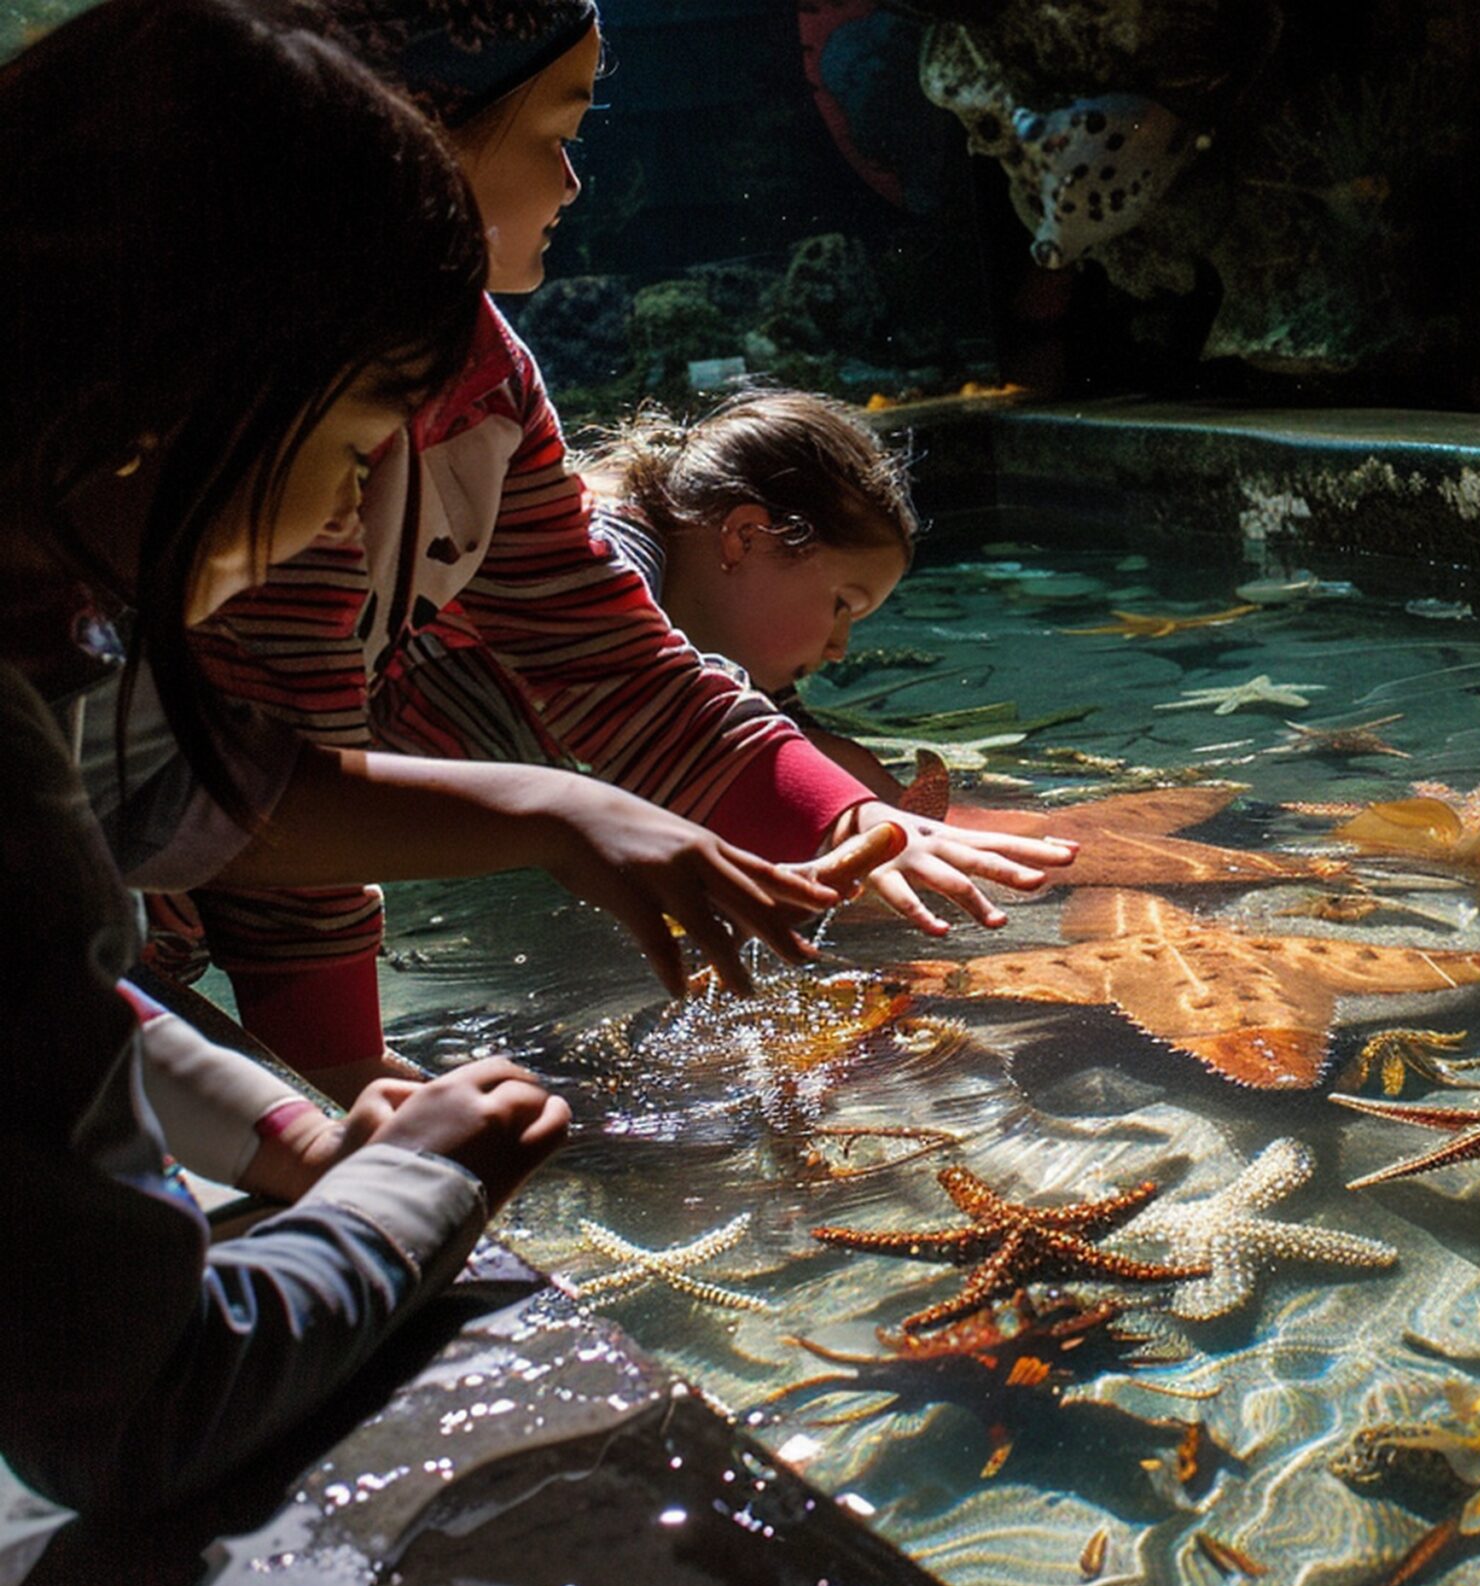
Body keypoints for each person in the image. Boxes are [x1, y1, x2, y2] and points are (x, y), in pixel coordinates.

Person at [0, 0, 879, 1515]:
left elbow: (63, 968)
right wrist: (429, 1176)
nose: (339, 511)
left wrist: (287, 1130)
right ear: (195, 392)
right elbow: (137, 1403)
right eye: (351, 451)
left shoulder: (47, 627)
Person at [179, 0, 1074, 1100]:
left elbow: (617, 665)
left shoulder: (485, 373)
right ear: (407, 134)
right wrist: (341, 1083)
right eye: (557, 137)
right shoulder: (302, 397)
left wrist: (847, 813)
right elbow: (275, 796)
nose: (573, 186)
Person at [576, 392, 920, 797]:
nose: (838, 650)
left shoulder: (716, 636)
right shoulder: (606, 557)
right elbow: (668, 728)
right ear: (748, 538)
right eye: (842, 605)